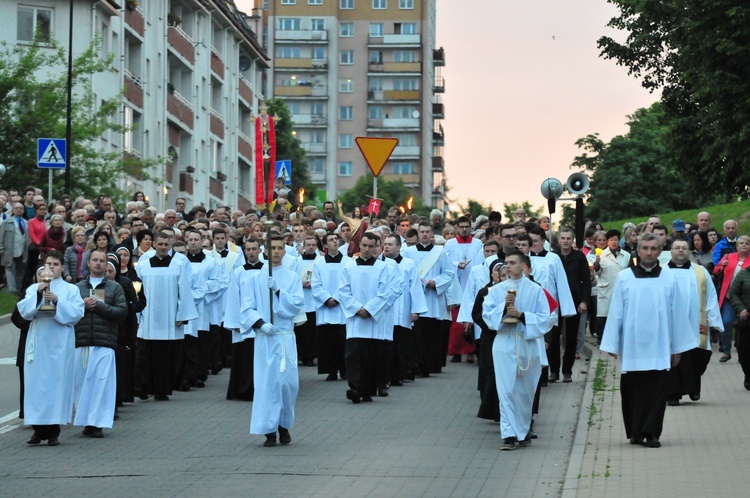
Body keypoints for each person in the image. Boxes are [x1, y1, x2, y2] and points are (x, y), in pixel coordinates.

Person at [600, 233, 696, 448]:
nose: (649, 253)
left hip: (660, 345)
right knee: (633, 390)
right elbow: (616, 311)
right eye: (645, 248)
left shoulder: (669, 278)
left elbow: (678, 314)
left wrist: (677, 347)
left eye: (654, 249)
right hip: (632, 346)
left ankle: (651, 432)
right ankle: (635, 432)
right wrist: (612, 342)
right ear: (638, 250)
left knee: (657, 391)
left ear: (659, 251)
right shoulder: (625, 277)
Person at [482, 251, 551, 450]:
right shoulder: (497, 290)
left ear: (523, 266)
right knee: (506, 389)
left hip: (526, 342)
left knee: (525, 390)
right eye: (506, 263)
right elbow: (488, 315)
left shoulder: (535, 290)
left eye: (513, 263)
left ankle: (523, 429)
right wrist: (503, 309)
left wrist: (522, 316)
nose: (508, 266)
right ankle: (509, 434)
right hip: (505, 342)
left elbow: (545, 317)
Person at [239, 236, 304, 447]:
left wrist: (278, 290)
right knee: (268, 384)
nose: (276, 251)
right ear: (264, 251)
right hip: (266, 338)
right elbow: (246, 308)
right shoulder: (253, 278)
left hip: (284, 337)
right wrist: (260, 324)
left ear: (285, 251)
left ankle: (284, 423)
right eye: (272, 248)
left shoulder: (292, 277)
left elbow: (296, 305)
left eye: (279, 248)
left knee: (287, 384)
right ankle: (269, 430)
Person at [18, 251, 85, 446]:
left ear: (62, 267)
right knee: (37, 386)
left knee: (56, 386)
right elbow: (23, 310)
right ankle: (38, 430)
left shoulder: (70, 290)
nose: (52, 267)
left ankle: (53, 431)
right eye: (49, 264)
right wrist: (39, 295)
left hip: (60, 342)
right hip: (38, 340)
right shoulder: (34, 288)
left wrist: (57, 300)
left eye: (56, 264)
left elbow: (76, 313)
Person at [135, 232, 198, 401]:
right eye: (160, 244)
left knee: (167, 357)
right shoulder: (143, 265)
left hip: (170, 318)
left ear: (170, 245)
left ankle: (163, 390)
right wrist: (136, 312)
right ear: (154, 244)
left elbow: (184, 291)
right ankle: (145, 388)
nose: (163, 247)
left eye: (166, 244)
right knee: (145, 355)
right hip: (148, 316)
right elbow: (136, 290)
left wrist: (182, 315)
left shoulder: (178, 265)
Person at [73, 250, 128, 438]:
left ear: (106, 265)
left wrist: (100, 306)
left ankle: (97, 423)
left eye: (102, 261)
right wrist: (83, 305)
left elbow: (122, 312)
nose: (98, 263)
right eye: (95, 260)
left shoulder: (115, 288)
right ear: (88, 263)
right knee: (81, 385)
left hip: (104, 342)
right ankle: (85, 421)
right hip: (81, 341)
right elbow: (69, 311)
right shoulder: (77, 287)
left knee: (100, 384)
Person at [663, 240, 722, 406]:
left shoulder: (700, 272)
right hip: (670, 323)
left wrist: (713, 320)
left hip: (696, 322)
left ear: (688, 251)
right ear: (671, 251)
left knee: (698, 355)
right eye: (677, 248)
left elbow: (710, 296)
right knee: (672, 357)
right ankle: (672, 394)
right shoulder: (661, 272)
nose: (681, 250)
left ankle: (693, 386)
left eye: (684, 248)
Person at [337, 232, 391, 403]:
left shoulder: (382, 268)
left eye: (371, 246)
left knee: (371, 357)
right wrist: (357, 308)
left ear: (377, 247)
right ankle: (354, 388)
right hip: (355, 320)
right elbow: (343, 291)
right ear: (359, 245)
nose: (367, 249)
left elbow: (384, 293)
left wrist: (369, 309)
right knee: (353, 356)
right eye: (364, 245)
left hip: (373, 319)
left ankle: (366, 390)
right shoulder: (349, 267)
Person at [402, 222, 456, 376]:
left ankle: (432, 365)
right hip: (415, 298)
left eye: (427, 232)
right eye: (422, 232)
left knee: (432, 335)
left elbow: (449, 273)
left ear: (432, 234)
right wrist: (413, 281)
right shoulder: (409, 252)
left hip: (433, 299)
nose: (425, 234)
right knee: (417, 335)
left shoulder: (440, 252)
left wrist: (436, 282)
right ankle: (416, 366)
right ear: (418, 234)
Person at [382, 234, 427, 385]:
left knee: (401, 345)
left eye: (390, 244)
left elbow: (415, 287)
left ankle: (399, 374)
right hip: (386, 310)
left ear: (399, 247)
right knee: (387, 345)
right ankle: (386, 375)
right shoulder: (382, 264)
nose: (386, 246)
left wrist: (416, 309)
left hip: (403, 310)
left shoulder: (408, 264)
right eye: (385, 244)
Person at [224, 238, 264, 401]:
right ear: (245, 252)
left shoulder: (266, 271)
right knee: (244, 359)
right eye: (249, 249)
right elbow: (233, 297)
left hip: (262, 323)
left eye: (255, 249)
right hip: (243, 323)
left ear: (260, 251)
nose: (252, 252)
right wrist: (235, 322)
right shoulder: (239, 272)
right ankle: (243, 390)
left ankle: (261, 391)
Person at [311, 233, 351, 381]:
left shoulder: (348, 262)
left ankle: (344, 370)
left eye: (336, 239)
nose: (335, 242)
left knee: (343, 341)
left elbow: (349, 283)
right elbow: (316, 285)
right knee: (328, 342)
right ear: (325, 246)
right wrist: (327, 299)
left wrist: (338, 298)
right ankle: (331, 370)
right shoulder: (319, 264)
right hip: (326, 308)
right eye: (331, 240)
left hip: (342, 309)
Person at [553, 227, 591, 382]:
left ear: (573, 239)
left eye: (568, 238)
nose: (565, 241)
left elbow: (586, 281)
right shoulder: (553, 256)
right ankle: (554, 370)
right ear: (559, 239)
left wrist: (584, 301)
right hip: (556, 301)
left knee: (571, 337)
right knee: (554, 336)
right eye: (563, 238)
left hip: (574, 300)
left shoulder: (579, 257)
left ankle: (567, 371)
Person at [713, 235, 750, 362]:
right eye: (741, 243)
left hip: (746, 300)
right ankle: (726, 351)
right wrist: (722, 265)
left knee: (744, 326)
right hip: (729, 296)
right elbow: (716, 271)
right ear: (736, 246)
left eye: (747, 243)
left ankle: (743, 352)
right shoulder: (729, 256)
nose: (744, 245)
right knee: (727, 321)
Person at [0, 203, 32, 294]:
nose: (19, 210)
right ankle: (12, 290)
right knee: (10, 269)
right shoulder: (6, 222)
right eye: (16, 208)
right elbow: (1, 237)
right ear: (13, 210)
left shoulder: (27, 223)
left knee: (21, 271)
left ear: (23, 210)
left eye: (21, 208)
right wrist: (1, 249)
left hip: (23, 251)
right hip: (9, 250)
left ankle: (17, 290)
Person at [728, 259, 750, 389]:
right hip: (747, 319)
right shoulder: (743, 274)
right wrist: (741, 309)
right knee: (744, 350)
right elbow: (733, 293)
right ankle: (748, 374)